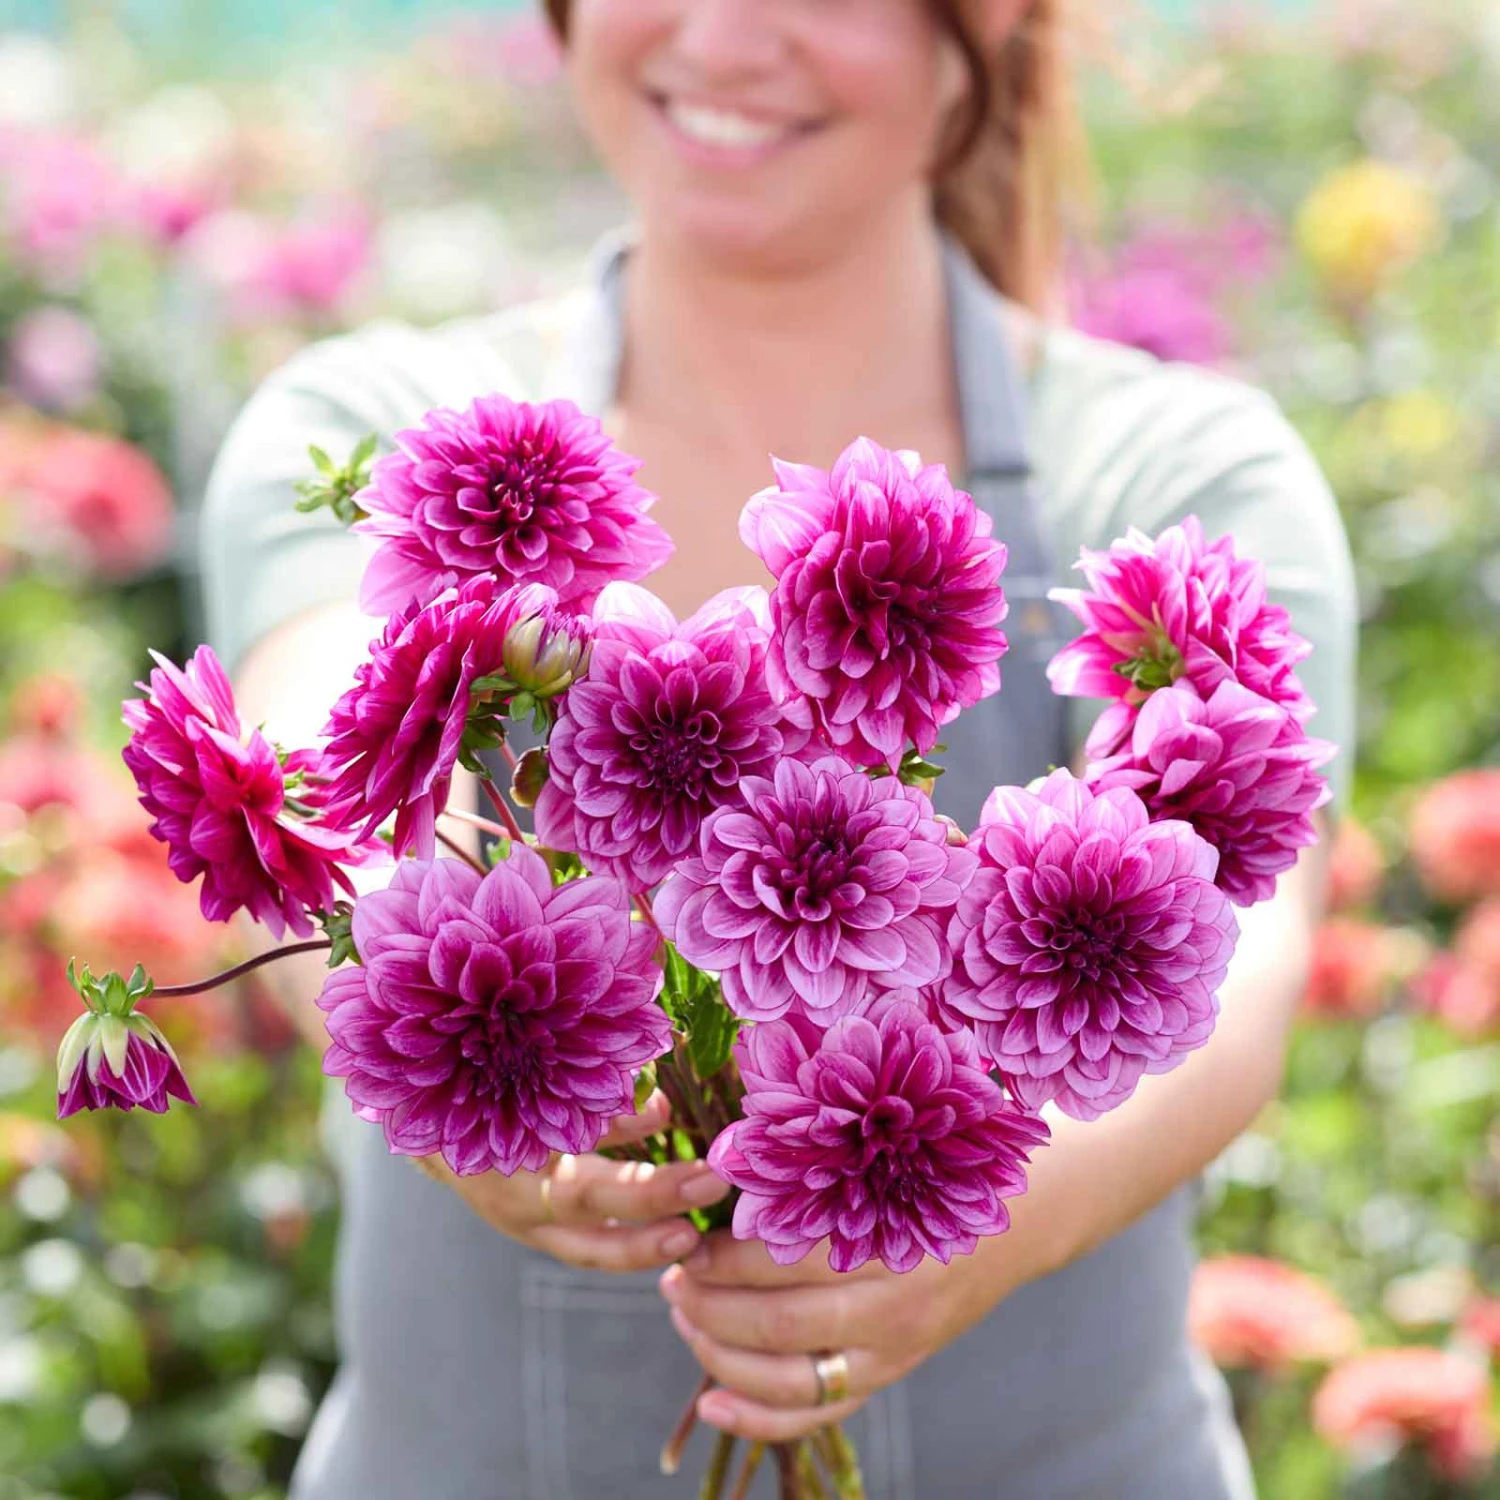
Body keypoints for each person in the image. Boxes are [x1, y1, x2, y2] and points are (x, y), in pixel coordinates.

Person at [200, 2, 1357, 1495]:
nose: (730, 35)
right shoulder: (380, 429)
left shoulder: (1178, 471)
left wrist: (973, 1208)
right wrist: (462, 1058)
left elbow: (1241, 949)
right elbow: (312, 777)